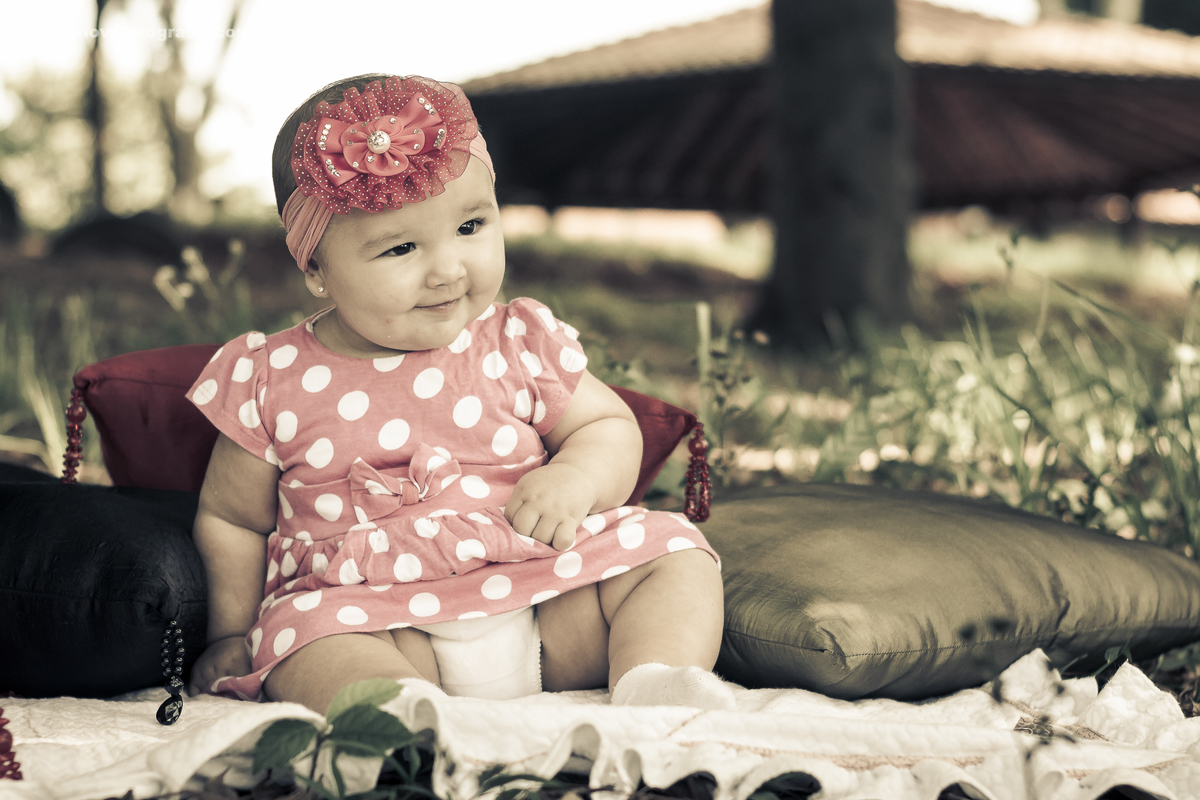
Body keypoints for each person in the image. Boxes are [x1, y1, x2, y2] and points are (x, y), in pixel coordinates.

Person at [186, 74, 731, 715]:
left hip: (547, 591)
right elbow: (233, 518)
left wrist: (576, 478)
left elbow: (607, 427)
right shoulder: (270, 374)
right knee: (299, 636)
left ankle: (652, 682)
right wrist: (229, 633)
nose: (448, 269)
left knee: (672, 550)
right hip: (375, 617)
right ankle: (403, 717)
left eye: (471, 225)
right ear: (315, 268)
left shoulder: (517, 339)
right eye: (400, 247)